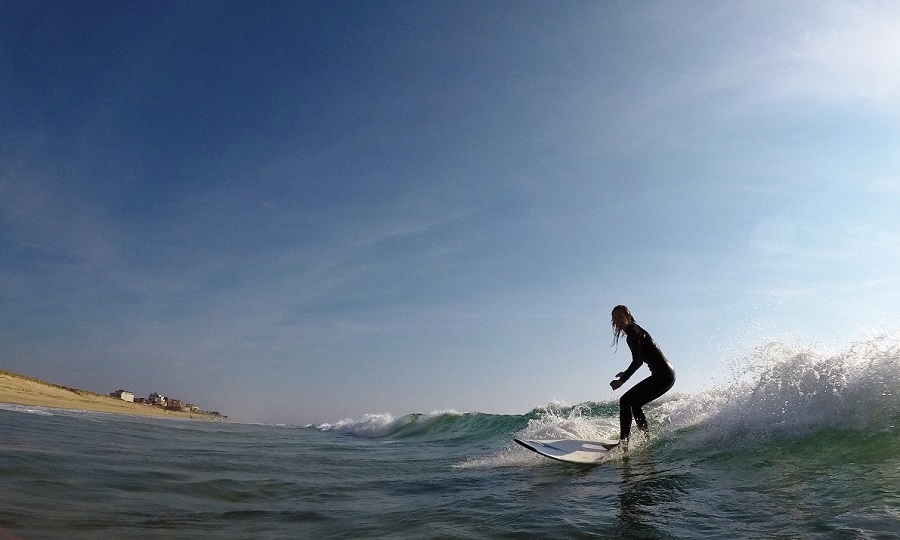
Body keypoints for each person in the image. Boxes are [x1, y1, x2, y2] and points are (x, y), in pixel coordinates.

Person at [605, 305, 675, 450]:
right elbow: (640, 360)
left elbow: (637, 361)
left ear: (628, 317)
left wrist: (622, 381)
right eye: (615, 317)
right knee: (635, 405)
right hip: (665, 374)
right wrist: (625, 373)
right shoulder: (634, 331)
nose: (617, 320)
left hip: (663, 375)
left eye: (620, 316)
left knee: (625, 401)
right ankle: (646, 439)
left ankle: (622, 445)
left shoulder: (632, 332)